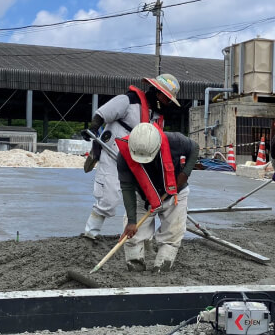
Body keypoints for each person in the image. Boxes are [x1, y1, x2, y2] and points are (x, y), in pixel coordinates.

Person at [81, 73, 180, 241]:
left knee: (144, 199)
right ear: (156, 91)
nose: (165, 102)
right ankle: (90, 233)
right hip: (112, 155)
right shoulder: (128, 101)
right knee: (108, 198)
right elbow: (102, 114)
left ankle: (141, 236)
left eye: (168, 99)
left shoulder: (157, 118)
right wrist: (93, 128)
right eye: (164, 97)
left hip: (137, 162)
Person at [117, 122, 198, 272]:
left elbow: (194, 148)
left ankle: (162, 265)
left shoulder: (175, 140)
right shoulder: (124, 155)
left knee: (172, 232)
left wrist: (185, 173)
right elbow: (127, 187)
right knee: (132, 235)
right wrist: (132, 221)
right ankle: (135, 263)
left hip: (174, 193)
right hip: (142, 195)